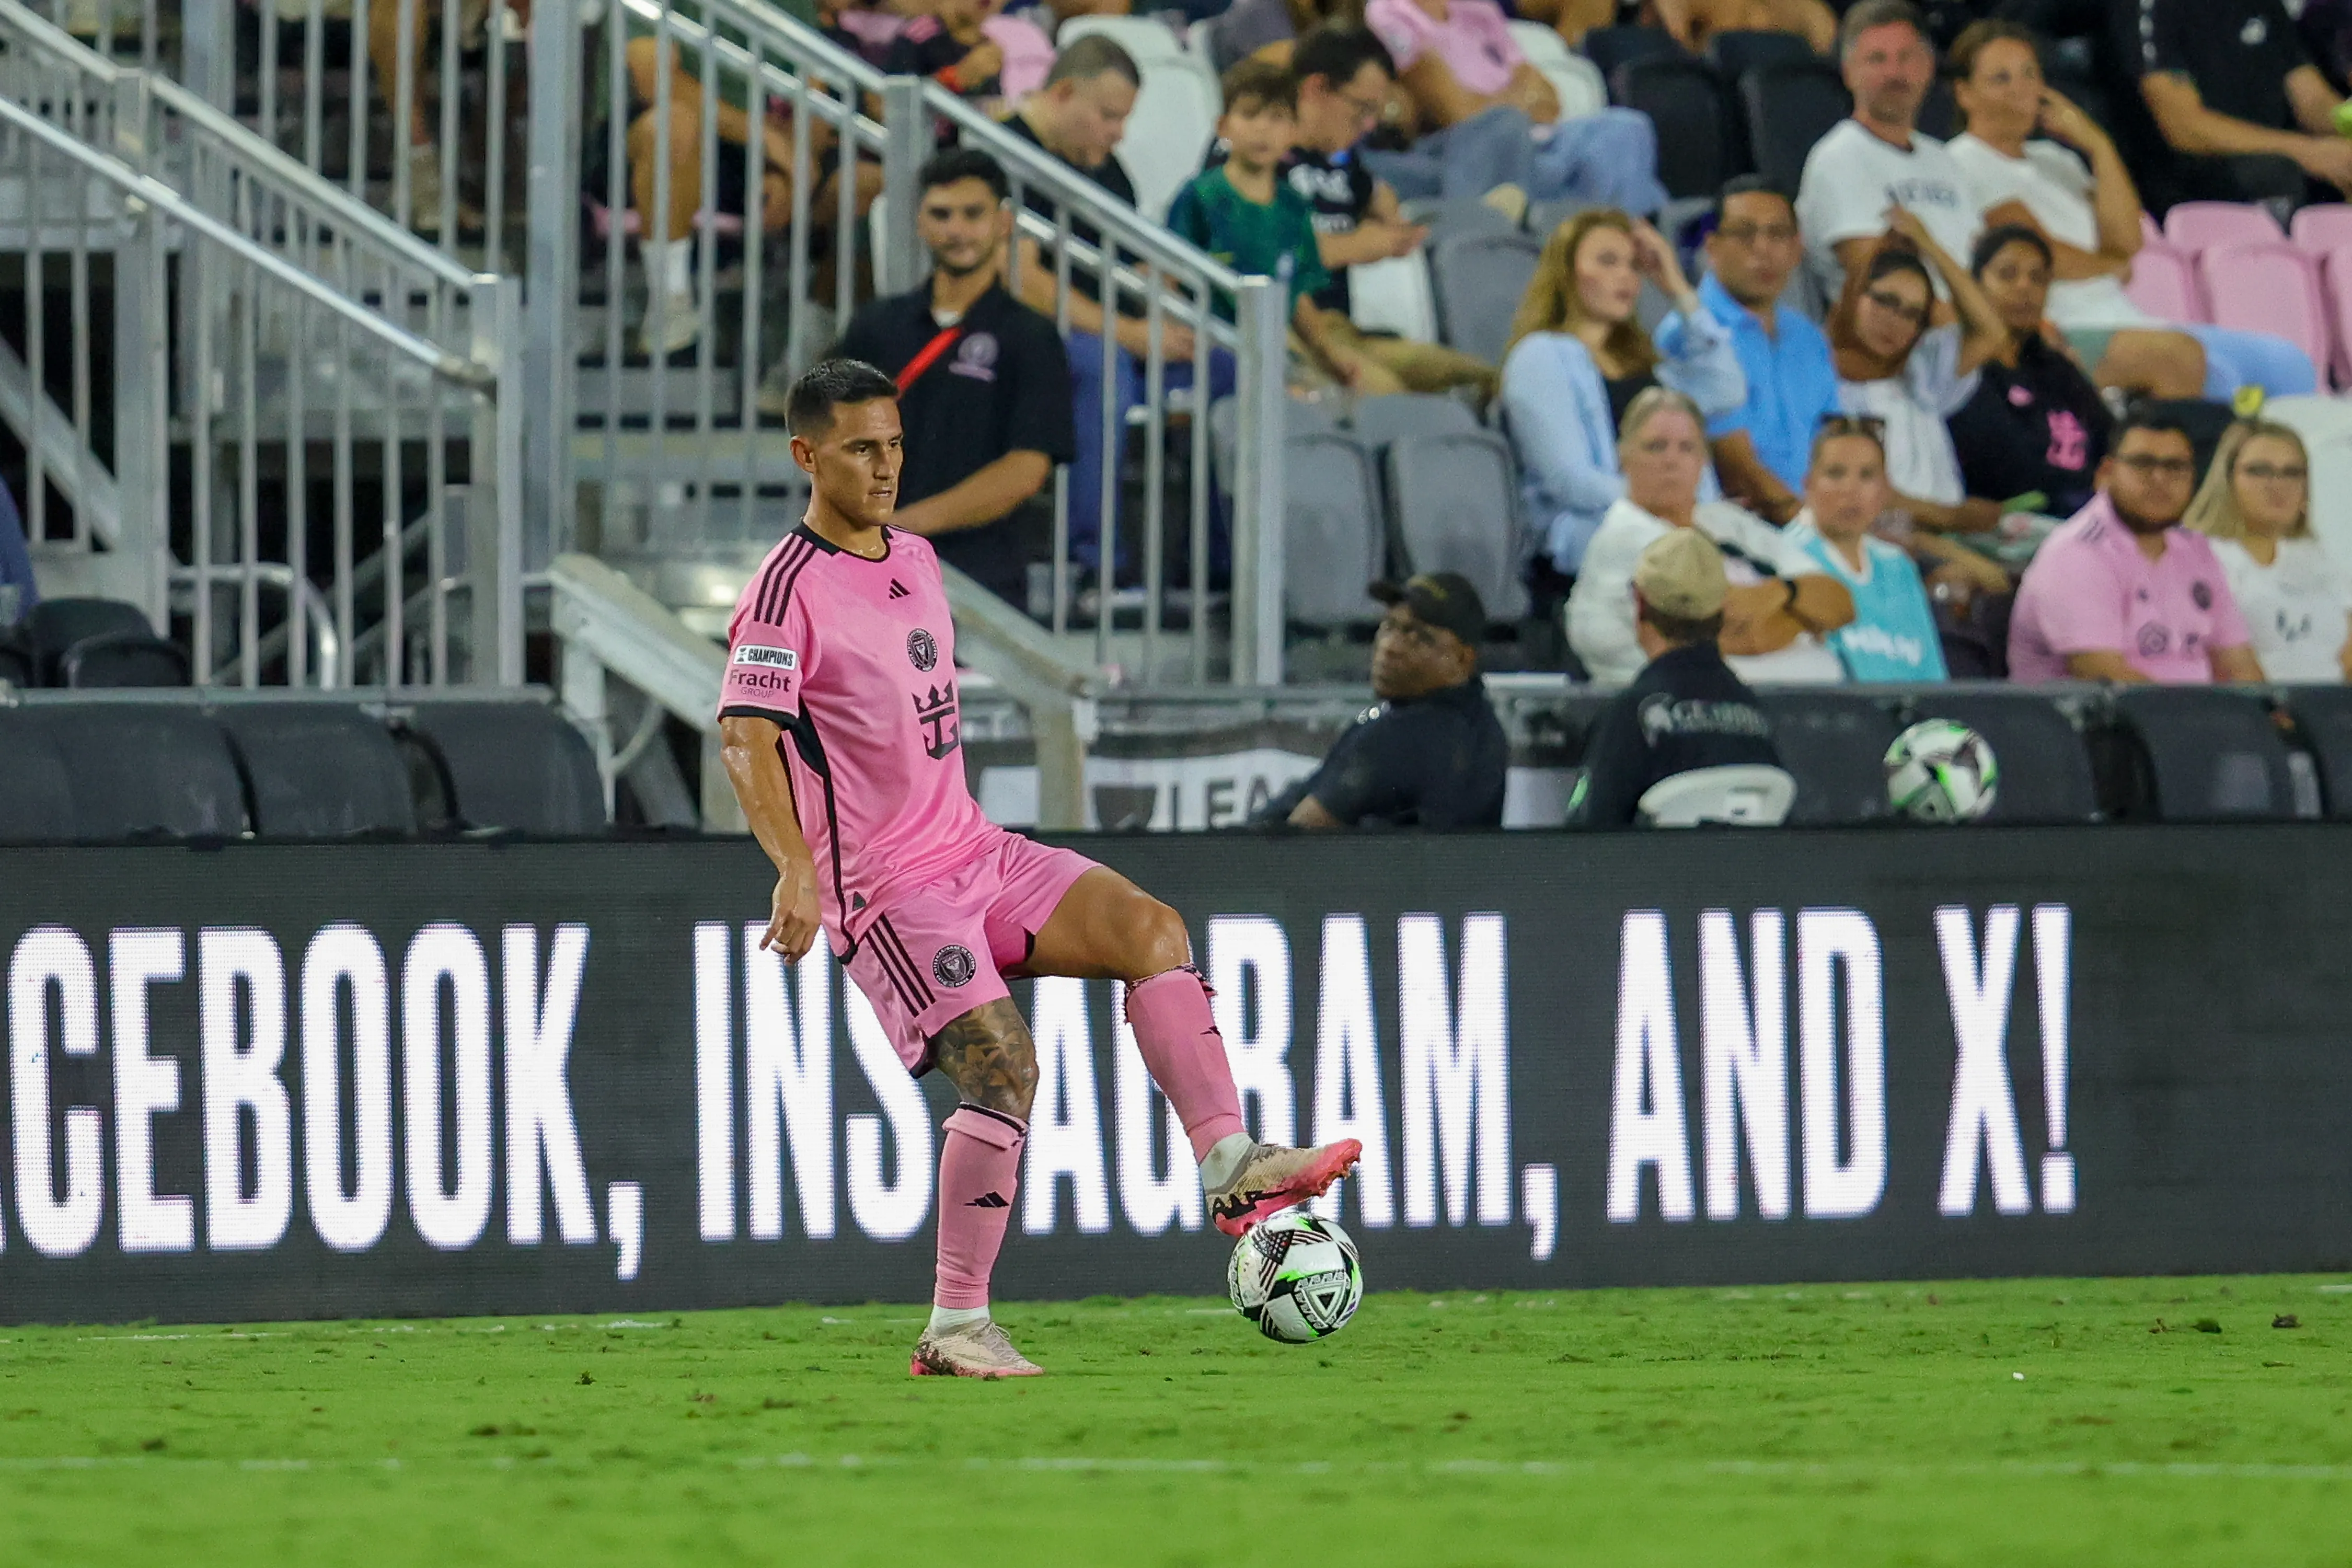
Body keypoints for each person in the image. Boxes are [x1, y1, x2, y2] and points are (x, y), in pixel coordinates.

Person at [718, 358, 1364, 1379]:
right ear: (807, 455)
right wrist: (794, 868)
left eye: (893, 444)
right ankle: (956, 1323)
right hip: (888, 888)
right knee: (1006, 1071)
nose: (885, 466)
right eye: (859, 450)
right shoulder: (783, 590)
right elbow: (747, 738)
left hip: (975, 850)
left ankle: (1231, 1165)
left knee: (1152, 931)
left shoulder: (918, 559)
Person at [1945, 20, 2315, 402]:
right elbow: (2041, 256)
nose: (2020, 89)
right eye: (2001, 79)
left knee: (2286, 364)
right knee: (2214, 376)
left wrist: (2098, 144)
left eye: (2029, 74)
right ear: (1964, 93)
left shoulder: (2056, 160)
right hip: (2062, 326)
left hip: (2126, 317)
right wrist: (2109, 265)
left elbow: (2128, 241)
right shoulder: (1964, 161)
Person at [832, 149, 1077, 604]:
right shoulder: (875, 326)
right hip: (867, 577)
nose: (957, 230)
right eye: (941, 215)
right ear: (921, 223)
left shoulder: (1032, 338)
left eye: (973, 214)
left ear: (1004, 223)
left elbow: (1026, 470)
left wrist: (904, 527)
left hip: (982, 581)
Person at [1501, 209, 1748, 582]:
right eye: (1607, 261)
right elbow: (1570, 480)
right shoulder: (1540, 356)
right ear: (1567, 273)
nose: (1626, 277)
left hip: (1674, 525)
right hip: (1593, 534)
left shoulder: (1648, 365)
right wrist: (1666, 504)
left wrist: (1677, 286)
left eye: (1634, 266)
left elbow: (1727, 389)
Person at [1567, 388, 1855, 687]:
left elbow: (1840, 602)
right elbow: (1734, 635)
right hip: (1682, 704)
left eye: (1687, 448)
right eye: (1656, 447)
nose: (1671, 461)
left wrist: (1781, 593)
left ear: (1703, 460)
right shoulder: (1624, 535)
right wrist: (1803, 616)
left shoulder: (1726, 521)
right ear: (1623, 457)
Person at [1278, 25, 1495, 398]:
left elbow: (1380, 196)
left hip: (1347, 331)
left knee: (1484, 379)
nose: (1368, 126)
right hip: (1288, 331)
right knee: (1392, 400)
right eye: (1362, 109)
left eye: (1375, 114)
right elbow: (1257, 254)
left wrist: (1391, 225)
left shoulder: (1343, 160)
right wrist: (1355, 245)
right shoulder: (1254, 152)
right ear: (1316, 89)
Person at [1168, 61, 1402, 396]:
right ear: (1223, 126)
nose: (1263, 130)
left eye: (1277, 119)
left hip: (1278, 347)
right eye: (1250, 116)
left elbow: (1296, 295)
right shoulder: (1200, 196)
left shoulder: (1293, 206)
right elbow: (1167, 280)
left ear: (1293, 132)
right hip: (1217, 349)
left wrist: (1330, 356)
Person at [2009, 410, 2266, 683]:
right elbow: (2103, 676)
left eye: (2175, 467)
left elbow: (2238, 663)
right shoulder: (2077, 553)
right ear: (2106, 474)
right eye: (2143, 464)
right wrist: (2197, 722)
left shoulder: (2195, 549)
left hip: (2193, 717)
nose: (2159, 479)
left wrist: (2274, 718)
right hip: (2097, 721)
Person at [1360, 0, 1669, 214]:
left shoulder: (1479, 11)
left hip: (1536, 143)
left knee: (1627, 128)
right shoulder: (1388, 15)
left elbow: (1548, 98)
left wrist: (1503, 103)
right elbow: (1459, 115)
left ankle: (1622, 247)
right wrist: (1517, 100)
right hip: (1462, 149)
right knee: (1505, 125)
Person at [1567, 529, 1786, 827]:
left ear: (1640, 603)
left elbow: (1584, 841)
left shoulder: (1629, 717)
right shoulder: (1756, 716)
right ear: (1721, 609)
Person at [1256, 573, 1510, 827]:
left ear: (1463, 659)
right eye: (1389, 626)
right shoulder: (1486, 728)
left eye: (1418, 637)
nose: (1391, 647)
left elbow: (1299, 838)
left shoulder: (1404, 734)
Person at [1826, 220, 2007, 535]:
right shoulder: (1817, 381)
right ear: (1854, 294)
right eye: (1885, 301)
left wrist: (1930, 246)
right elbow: (1861, 494)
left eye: (1912, 314)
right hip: (1886, 542)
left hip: (1953, 536)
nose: (1894, 321)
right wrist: (1953, 518)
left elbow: (1991, 332)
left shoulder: (1919, 373)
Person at [1796, 0, 1981, 304]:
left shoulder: (1943, 159)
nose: (1894, 73)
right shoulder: (1839, 159)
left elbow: (1980, 259)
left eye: (1906, 57)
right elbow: (1889, 290)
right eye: (1877, 59)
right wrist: (1986, 333)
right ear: (1848, 73)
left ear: (1928, 68)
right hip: (1905, 340)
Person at [1694, 177, 1843, 526]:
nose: (1763, 249)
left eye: (1778, 235)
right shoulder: (1695, 334)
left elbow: (1836, 443)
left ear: (1797, 248)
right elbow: (1738, 471)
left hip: (1823, 520)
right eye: (1745, 234)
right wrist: (1820, 535)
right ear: (1712, 248)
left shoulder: (1807, 336)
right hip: (1748, 528)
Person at [2115, 0, 2352, 207]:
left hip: (2285, 156)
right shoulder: (2149, 7)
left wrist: (2346, 127)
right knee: (2275, 174)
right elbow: (2184, 128)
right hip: (2193, 178)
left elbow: (2313, 99)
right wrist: (2307, 152)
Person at [1946, 225, 2112, 520]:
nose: (2025, 287)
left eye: (2038, 279)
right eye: (2008, 274)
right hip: (2010, 522)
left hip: (2085, 513)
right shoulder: (1961, 368)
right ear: (1975, 285)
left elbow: (2112, 437)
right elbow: (2002, 467)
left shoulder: (2057, 368)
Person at [1785, 418, 1951, 681]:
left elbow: (1933, 678)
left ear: (1885, 491)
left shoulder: (1899, 567)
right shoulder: (1784, 558)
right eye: (1836, 473)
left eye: (1867, 476)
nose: (1850, 490)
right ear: (1808, 484)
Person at [2186, 420, 2352, 681]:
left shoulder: (2316, 555)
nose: (2278, 485)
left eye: (2292, 473)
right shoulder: (2202, 556)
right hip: (2251, 713)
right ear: (2227, 479)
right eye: (2260, 471)